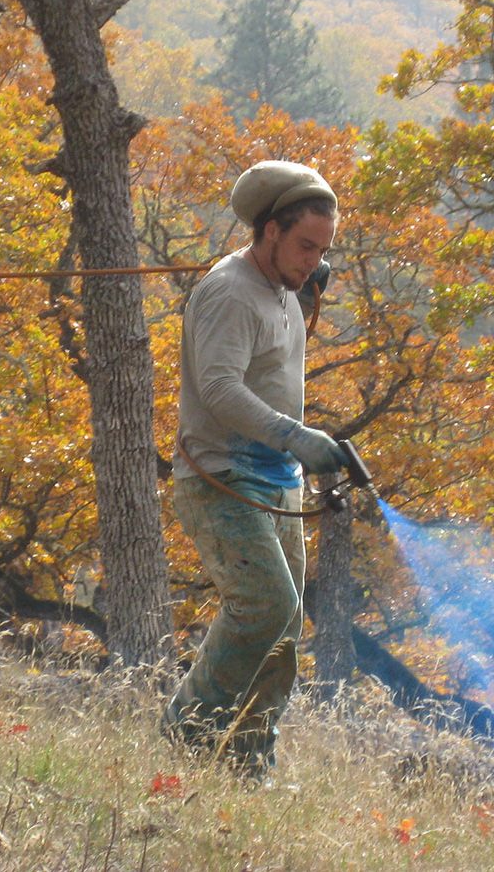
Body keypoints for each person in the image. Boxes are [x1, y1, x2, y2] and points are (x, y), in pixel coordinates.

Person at [163, 160, 347, 776]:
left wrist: (306, 276)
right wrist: (297, 437)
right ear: (269, 230)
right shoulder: (230, 292)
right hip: (219, 476)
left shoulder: (287, 286)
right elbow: (217, 388)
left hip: (275, 485)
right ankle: (187, 729)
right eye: (303, 245)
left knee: (285, 629)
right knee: (265, 606)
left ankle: (247, 766)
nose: (312, 260)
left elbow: (293, 288)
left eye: (322, 249)